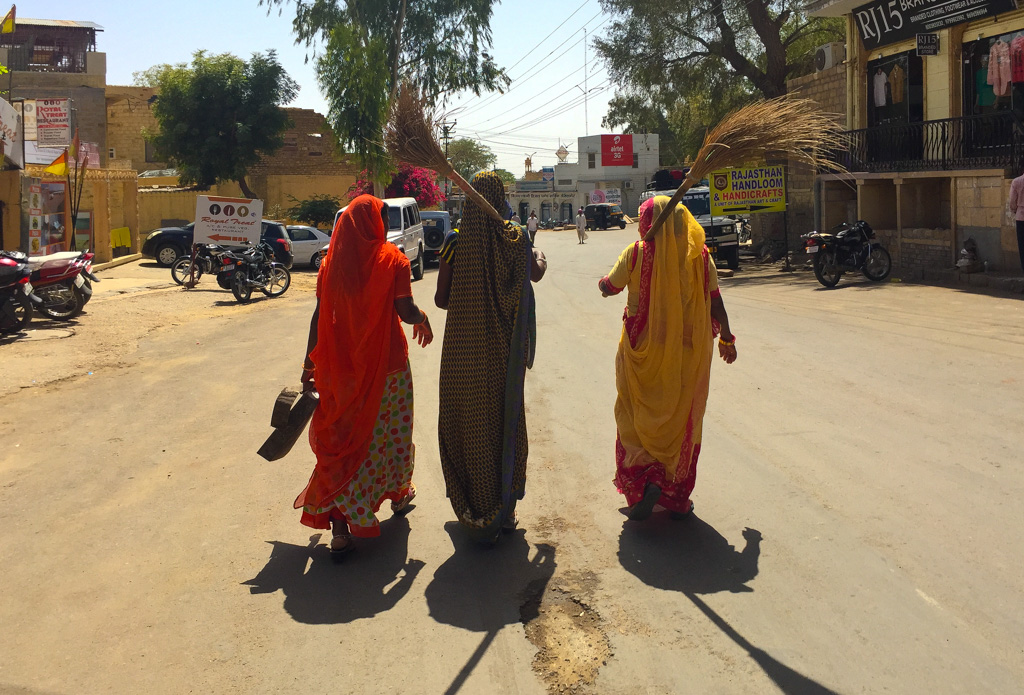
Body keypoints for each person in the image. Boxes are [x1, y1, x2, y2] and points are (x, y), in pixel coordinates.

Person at [297, 194, 434, 557]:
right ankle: (399, 494)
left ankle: (340, 528)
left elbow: (319, 317)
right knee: (391, 435)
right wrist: (422, 318)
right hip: (386, 368)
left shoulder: (329, 265)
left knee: (345, 443)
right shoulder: (393, 261)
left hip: (340, 371)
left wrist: (308, 366)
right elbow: (404, 310)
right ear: (377, 224)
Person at [598, 196, 737, 521]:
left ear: (648, 223)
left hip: (640, 354)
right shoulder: (699, 256)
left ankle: (645, 481)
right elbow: (715, 302)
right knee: (680, 416)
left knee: (636, 415)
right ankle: (673, 491)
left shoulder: (635, 254)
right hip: (686, 356)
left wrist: (603, 286)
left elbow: (611, 286)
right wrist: (727, 338)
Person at [434, 171, 547, 543]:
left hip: (462, 353)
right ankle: (506, 510)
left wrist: (472, 288)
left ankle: (470, 502)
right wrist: (540, 256)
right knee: (503, 417)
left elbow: (441, 299)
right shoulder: (515, 237)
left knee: (466, 421)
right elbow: (536, 274)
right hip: (502, 350)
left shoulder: (455, 241)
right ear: (500, 198)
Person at [1008, 170, 1024, 272]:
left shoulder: (1017, 181)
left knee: (1022, 248)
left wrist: (1015, 210)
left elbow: (1012, 201)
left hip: (1021, 217)